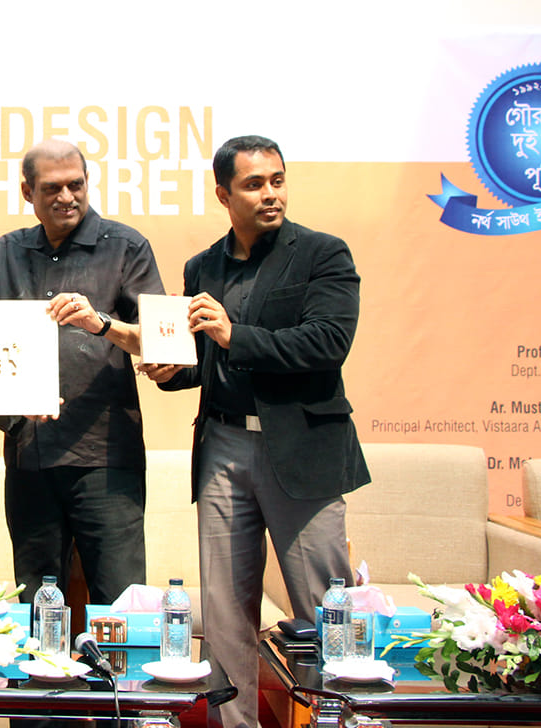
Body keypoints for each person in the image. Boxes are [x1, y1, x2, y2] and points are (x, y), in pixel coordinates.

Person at [141, 135, 369, 728]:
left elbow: (327, 343)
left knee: (325, 610)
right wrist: (171, 370)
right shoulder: (203, 267)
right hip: (222, 446)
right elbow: (206, 362)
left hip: (302, 451)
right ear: (224, 195)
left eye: (277, 180)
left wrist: (232, 334)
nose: (271, 194)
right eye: (254, 184)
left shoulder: (323, 253)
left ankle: (338, 719)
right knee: (224, 615)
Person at [0, 138, 165, 607]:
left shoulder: (126, 247)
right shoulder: (7, 252)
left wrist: (101, 323)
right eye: (52, 188)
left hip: (106, 458)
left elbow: (159, 341)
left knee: (121, 605)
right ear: (27, 192)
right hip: (29, 456)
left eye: (76, 185)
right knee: (36, 605)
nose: (66, 197)